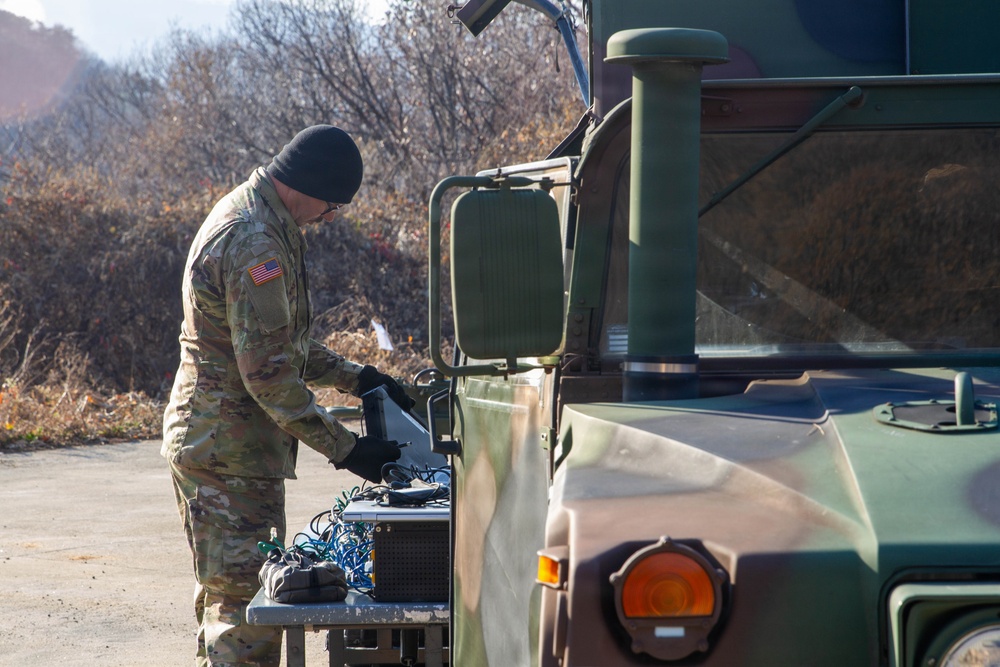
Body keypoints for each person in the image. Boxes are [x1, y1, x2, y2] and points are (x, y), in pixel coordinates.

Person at [162, 124, 415, 666]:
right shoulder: (253, 239)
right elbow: (270, 375)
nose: (329, 218)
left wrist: (357, 376)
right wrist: (347, 449)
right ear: (310, 186)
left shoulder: (266, 221)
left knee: (228, 606)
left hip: (234, 450)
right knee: (243, 619)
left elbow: (283, 341)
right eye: (333, 207)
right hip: (225, 454)